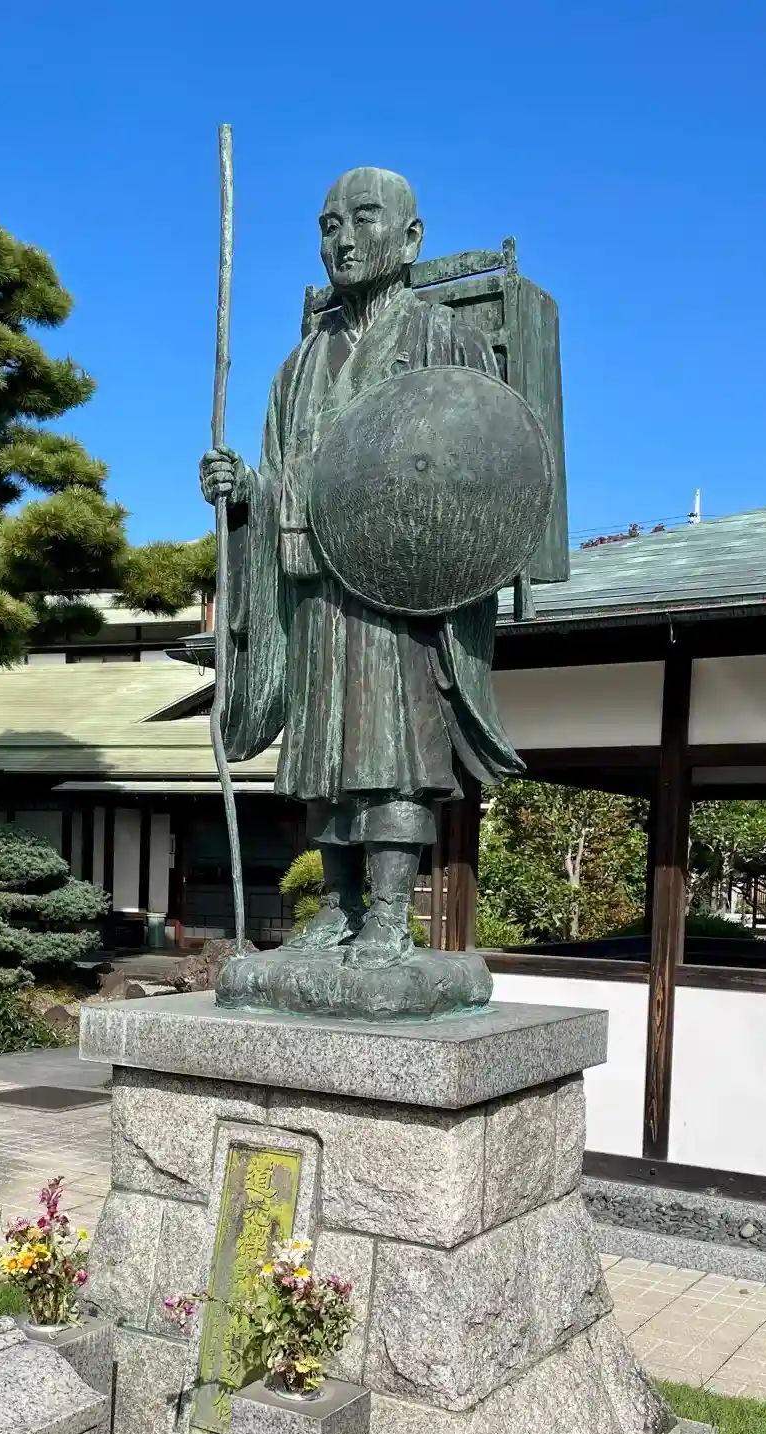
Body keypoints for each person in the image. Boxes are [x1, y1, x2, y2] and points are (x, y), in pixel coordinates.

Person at [200, 167, 522, 968]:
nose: (342, 240)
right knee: (322, 753)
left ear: (410, 239)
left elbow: (483, 463)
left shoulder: (445, 341)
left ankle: (387, 914)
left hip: (398, 587)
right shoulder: (296, 369)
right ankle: (339, 904)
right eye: (328, 225)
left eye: (363, 220)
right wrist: (244, 493)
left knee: (392, 751)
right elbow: (282, 477)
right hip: (314, 585)